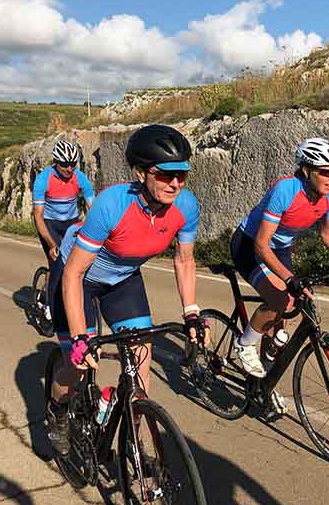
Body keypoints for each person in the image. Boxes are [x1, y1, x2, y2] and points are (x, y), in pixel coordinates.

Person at [45, 124, 207, 455]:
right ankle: (58, 411)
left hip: (123, 279)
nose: (175, 183)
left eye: (182, 175)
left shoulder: (186, 207)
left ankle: (134, 445)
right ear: (140, 172)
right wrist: (79, 338)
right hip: (79, 276)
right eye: (165, 175)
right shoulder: (112, 205)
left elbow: (185, 260)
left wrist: (191, 312)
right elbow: (74, 273)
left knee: (140, 373)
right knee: (75, 367)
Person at [230, 138, 329, 411]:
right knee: (281, 298)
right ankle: (245, 345)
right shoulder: (285, 190)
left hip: (279, 248)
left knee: (298, 303)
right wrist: (288, 279)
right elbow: (261, 245)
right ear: (306, 170)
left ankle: (265, 382)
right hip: (250, 244)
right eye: (325, 171)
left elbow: (328, 233)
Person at [32, 140, 94, 266]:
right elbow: (38, 217)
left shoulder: (79, 177)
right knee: (57, 262)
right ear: (56, 162)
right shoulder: (43, 179)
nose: (70, 169)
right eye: (65, 164)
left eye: (73, 164)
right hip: (50, 223)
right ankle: (52, 284)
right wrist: (52, 245)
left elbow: (93, 208)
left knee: (78, 261)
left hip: (71, 222)